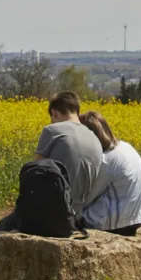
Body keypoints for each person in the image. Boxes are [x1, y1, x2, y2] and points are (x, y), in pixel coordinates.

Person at [32, 90, 108, 222]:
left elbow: (33, 174)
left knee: (5, 225)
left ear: (54, 113)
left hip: (49, 213)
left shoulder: (52, 131)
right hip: (76, 215)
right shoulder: (95, 138)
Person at [74, 110, 141, 233]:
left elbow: (86, 199)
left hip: (113, 223)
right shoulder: (125, 146)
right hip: (135, 219)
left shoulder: (105, 160)